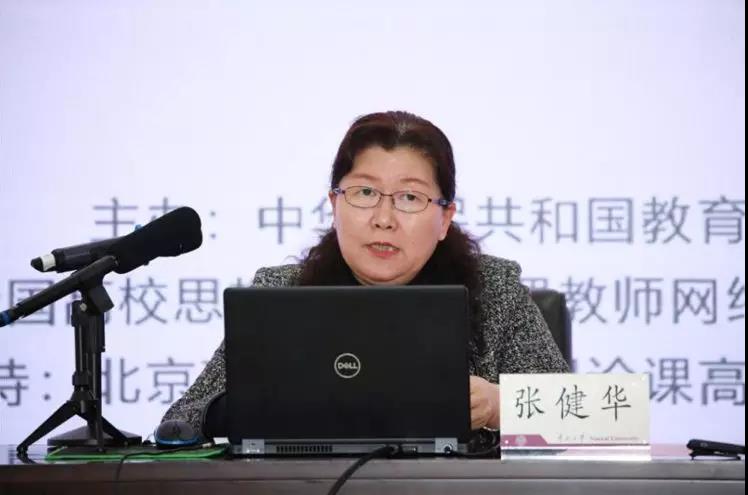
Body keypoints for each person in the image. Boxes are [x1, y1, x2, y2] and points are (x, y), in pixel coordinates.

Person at [162, 111, 569, 436]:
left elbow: (580, 414)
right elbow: (182, 420)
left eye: (409, 197)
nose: (383, 218)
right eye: (365, 193)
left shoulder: (494, 292)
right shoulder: (281, 293)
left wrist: (499, 405)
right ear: (334, 204)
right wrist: (250, 407)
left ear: (445, 218)